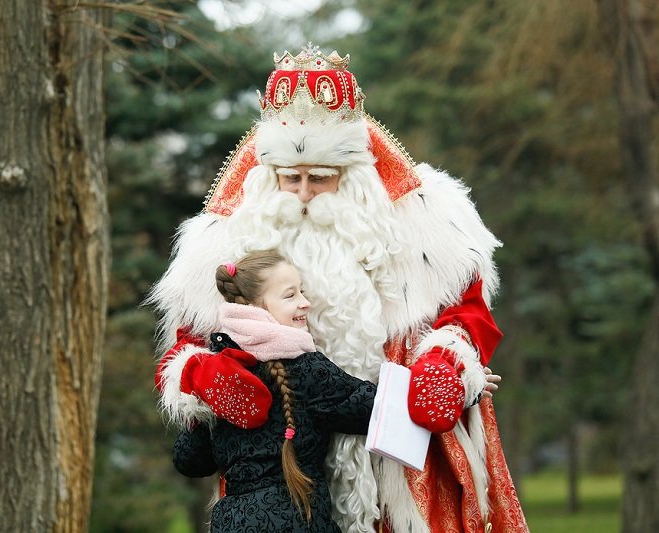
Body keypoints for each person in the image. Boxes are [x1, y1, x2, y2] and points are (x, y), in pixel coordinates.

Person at [150, 44, 528, 532]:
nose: (304, 195)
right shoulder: (226, 242)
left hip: (395, 466)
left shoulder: (421, 232)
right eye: (291, 178)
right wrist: (198, 374)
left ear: (353, 176)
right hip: (278, 480)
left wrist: (447, 365)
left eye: (321, 178)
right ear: (269, 174)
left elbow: (467, 312)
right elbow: (186, 347)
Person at [173, 250, 377, 532]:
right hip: (297, 520)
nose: (305, 303)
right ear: (256, 307)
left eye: (302, 292)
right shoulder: (305, 369)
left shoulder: (213, 374)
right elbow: (370, 410)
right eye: (290, 295)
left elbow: (189, 461)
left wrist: (194, 410)